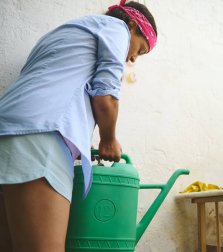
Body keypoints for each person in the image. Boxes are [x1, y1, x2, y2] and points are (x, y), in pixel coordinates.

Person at [0, 0, 157, 251]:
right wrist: (109, 139)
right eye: (139, 50)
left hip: (8, 131)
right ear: (132, 25)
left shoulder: (67, 32)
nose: (132, 58)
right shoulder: (117, 29)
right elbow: (105, 95)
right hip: (40, 137)